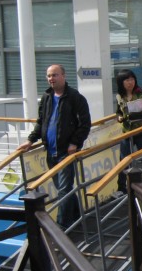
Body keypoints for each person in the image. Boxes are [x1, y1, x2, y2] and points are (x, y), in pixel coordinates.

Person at [18, 64, 91, 229]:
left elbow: (85, 124)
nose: (52, 78)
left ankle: (61, 227)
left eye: (55, 75)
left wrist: (75, 143)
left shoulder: (75, 98)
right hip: (51, 151)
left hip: (66, 152)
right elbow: (41, 122)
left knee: (64, 190)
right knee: (63, 188)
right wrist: (31, 140)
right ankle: (79, 217)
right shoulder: (46, 97)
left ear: (64, 76)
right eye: (49, 75)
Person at [113, 69, 142, 199]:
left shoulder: (140, 93)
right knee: (124, 160)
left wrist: (132, 115)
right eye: (127, 80)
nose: (130, 82)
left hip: (141, 130)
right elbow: (118, 112)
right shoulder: (119, 96)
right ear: (121, 82)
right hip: (127, 131)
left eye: (132, 79)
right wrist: (120, 117)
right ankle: (121, 187)